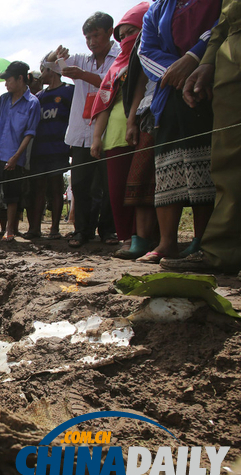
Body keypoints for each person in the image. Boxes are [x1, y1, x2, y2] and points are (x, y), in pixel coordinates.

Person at [134, 0, 221, 263]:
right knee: (169, 164)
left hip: (210, 80)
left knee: (205, 162)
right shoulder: (157, 9)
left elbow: (220, 27)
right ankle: (167, 242)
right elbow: (146, 51)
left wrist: (195, 59)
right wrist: (178, 72)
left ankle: (203, 241)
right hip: (170, 91)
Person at [164, 0, 241, 273]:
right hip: (231, 59)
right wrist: (207, 60)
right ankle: (222, 251)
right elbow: (223, 22)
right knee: (227, 157)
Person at [89, 2, 158, 260]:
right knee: (118, 191)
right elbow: (104, 102)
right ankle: (127, 238)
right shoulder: (116, 66)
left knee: (143, 188)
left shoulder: (149, 56)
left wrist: (132, 122)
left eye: (131, 32)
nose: (126, 39)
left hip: (143, 127)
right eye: (122, 35)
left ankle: (146, 238)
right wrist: (97, 138)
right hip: (115, 137)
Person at [48, 12, 121, 248]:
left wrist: (82, 76)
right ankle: (82, 230)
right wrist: (57, 54)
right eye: (87, 37)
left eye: (96, 35)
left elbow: (113, 81)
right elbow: (49, 64)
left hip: (108, 130)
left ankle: (109, 230)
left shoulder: (119, 55)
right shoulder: (80, 59)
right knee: (80, 184)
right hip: (80, 133)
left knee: (108, 184)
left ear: (109, 32)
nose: (91, 42)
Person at [0, 61, 41, 242]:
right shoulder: (4, 99)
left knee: (12, 195)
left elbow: (29, 134)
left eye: (9, 80)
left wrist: (15, 157)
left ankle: (10, 230)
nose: (6, 84)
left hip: (15, 157)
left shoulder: (32, 103)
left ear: (20, 79)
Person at [23, 60, 74, 240]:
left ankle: (54, 228)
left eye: (43, 69)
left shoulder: (69, 91)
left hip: (58, 147)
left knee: (56, 187)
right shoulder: (39, 97)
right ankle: (35, 228)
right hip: (39, 149)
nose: (40, 74)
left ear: (50, 70)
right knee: (38, 188)